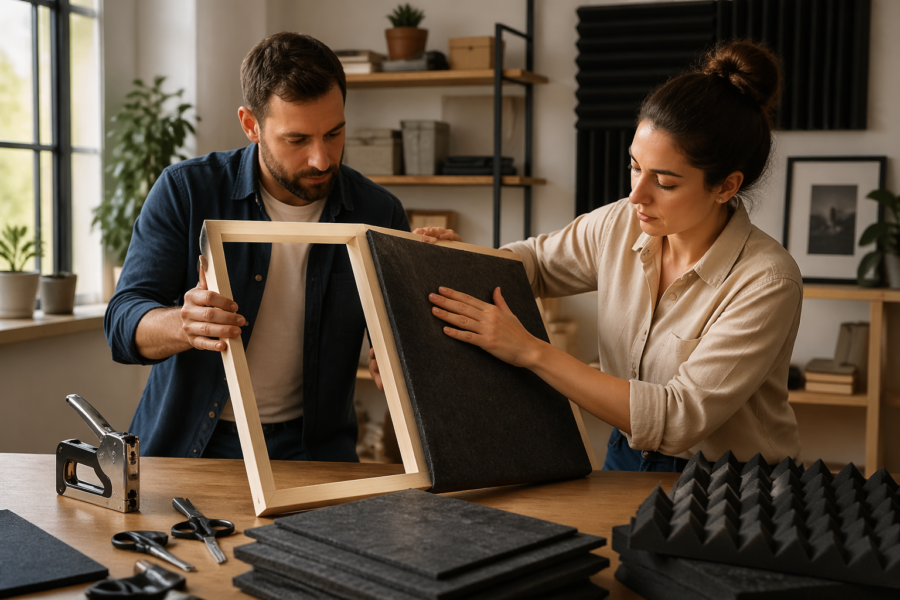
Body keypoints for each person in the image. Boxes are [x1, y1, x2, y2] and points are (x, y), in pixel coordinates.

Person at [371, 40, 802, 472]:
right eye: (635, 166)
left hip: (733, 484)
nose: (637, 195)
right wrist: (453, 259)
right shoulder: (621, 223)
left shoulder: (767, 281)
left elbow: (676, 419)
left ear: (726, 186)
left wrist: (532, 351)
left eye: (665, 183)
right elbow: (528, 266)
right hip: (625, 456)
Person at [105, 32, 411, 461]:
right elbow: (121, 324)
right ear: (251, 125)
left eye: (335, 133)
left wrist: (426, 294)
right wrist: (184, 324)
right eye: (297, 140)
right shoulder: (186, 190)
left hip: (315, 453)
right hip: (190, 446)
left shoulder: (379, 212)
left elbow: (407, 342)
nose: (322, 159)